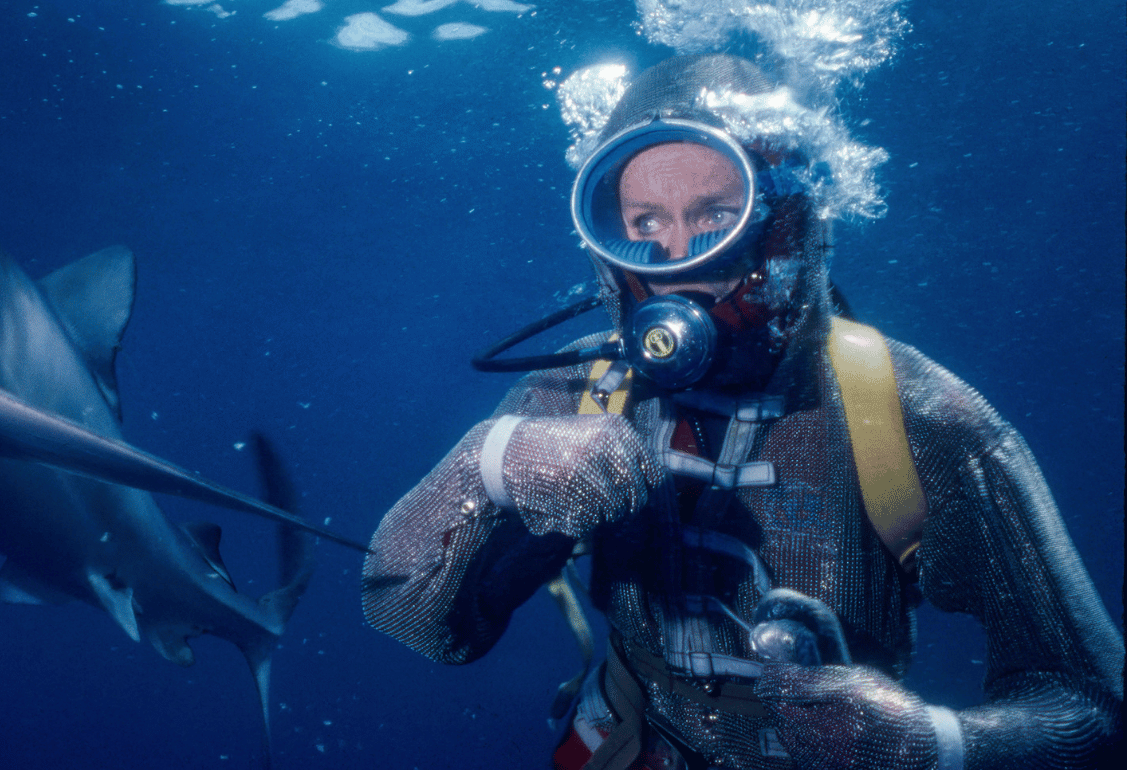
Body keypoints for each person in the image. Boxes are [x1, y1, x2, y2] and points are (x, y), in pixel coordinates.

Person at [362, 54, 1122, 769]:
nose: (682, 256)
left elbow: (1094, 704)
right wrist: (486, 462)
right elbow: (423, 625)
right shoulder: (583, 390)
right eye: (646, 224)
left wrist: (933, 746)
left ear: (783, 225)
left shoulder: (917, 416)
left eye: (716, 213)